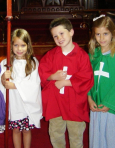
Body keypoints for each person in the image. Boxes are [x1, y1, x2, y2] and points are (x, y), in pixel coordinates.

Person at [38, 17, 94, 148]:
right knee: (56, 134)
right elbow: (42, 73)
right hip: (56, 103)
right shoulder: (50, 55)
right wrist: (53, 76)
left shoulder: (82, 55)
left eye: (61, 33)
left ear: (71, 32)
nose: (59, 38)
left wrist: (66, 82)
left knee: (76, 135)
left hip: (74, 104)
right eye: (55, 36)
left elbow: (87, 77)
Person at [88, 15, 115, 148]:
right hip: (96, 106)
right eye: (98, 34)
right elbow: (88, 78)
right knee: (98, 138)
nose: (101, 38)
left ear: (113, 33)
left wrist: (109, 103)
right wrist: (89, 98)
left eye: (105, 34)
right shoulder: (93, 55)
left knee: (113, 139)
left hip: (111, 109)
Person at [0, 29, 43, 148]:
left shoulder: (32, 63)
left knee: (26, 130)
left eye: (23, 45)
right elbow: (0, 84)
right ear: (11, 46)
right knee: (16, 130)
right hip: (14, 104)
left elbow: (34, 83)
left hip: (26, 105)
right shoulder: (6, 63)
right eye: (16, 45)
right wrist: (3, 78)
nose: (19, 48)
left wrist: (15, 85)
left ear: (28, 45)